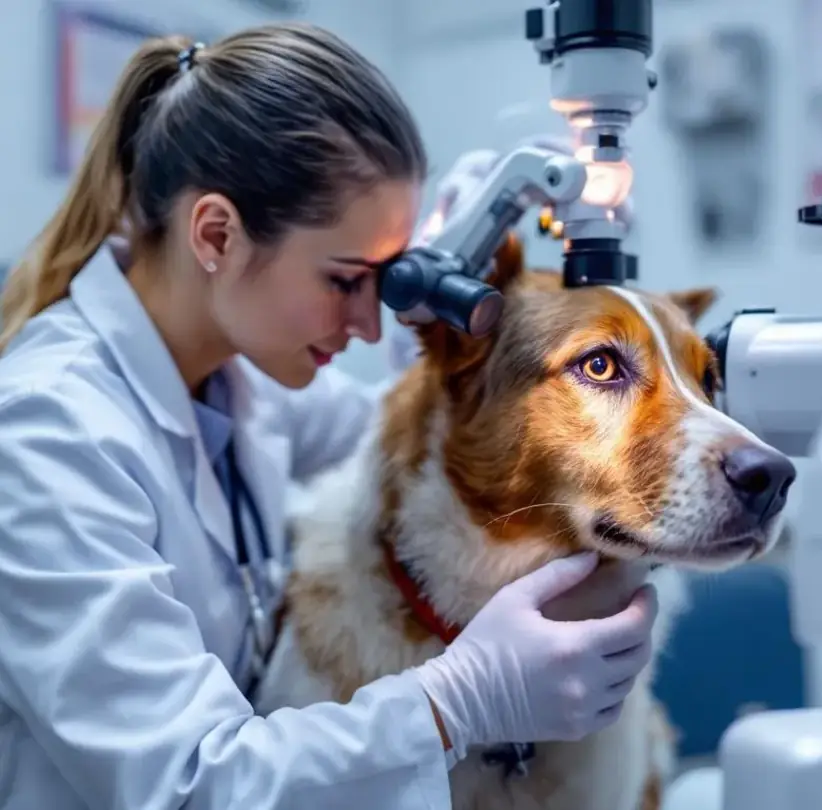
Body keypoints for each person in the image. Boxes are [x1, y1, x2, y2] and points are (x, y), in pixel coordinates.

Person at [0, 22, 659, 810]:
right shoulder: (48, 434)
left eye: (385, 280)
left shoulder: (239, 381)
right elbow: (191, 784)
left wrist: (469, 305)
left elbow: (405, 442)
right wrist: (459, 701)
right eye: (346, 281)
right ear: (216, 235)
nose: (370, 325)